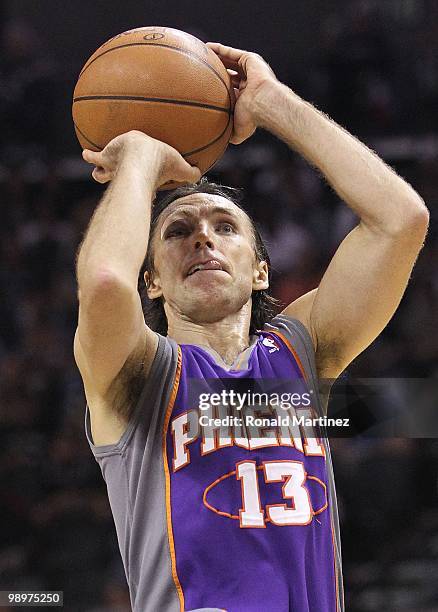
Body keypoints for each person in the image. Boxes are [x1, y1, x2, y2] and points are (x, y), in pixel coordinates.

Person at [74, 41, 428, 612]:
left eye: (225, 227)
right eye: (177, 230)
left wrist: (270, 101)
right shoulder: (138, 373)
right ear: (154, 283)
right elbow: (106, 283)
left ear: (261, 271)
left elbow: (401, 220)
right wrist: (139, 158)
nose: (203, 238)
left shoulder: (298, 356)